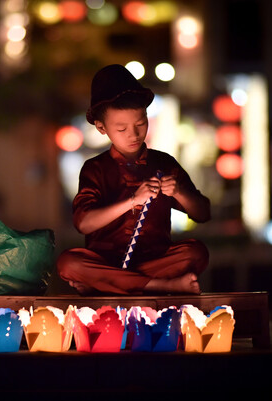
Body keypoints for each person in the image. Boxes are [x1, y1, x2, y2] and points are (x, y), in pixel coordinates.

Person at [57, 64, 211, 295]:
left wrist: (178, 191)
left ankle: (107, 284)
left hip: (154, 261)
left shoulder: (163, 164)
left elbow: (203, 213)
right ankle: (159, 286)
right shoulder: (95, 168)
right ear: (101, 128)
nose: (134, 134)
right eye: (122, 128)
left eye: (140, 124)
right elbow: (84, 223)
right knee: (68, 263)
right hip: (106, 262)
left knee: (196, 252)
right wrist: (131, 201)